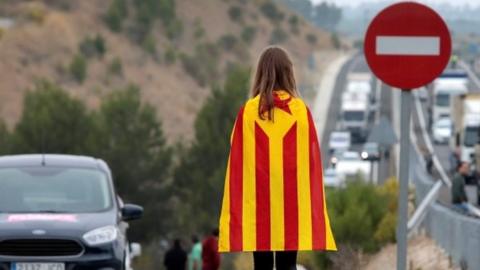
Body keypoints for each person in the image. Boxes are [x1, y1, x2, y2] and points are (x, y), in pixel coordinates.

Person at [218, 46, 336, 270]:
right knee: (287, 265)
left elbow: (236, 145)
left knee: (261, 265)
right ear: (288, 73)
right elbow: (309, 154)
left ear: (261, 73)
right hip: (291, 201)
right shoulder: (301, 110)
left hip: (258, 201)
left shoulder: (249, 111)